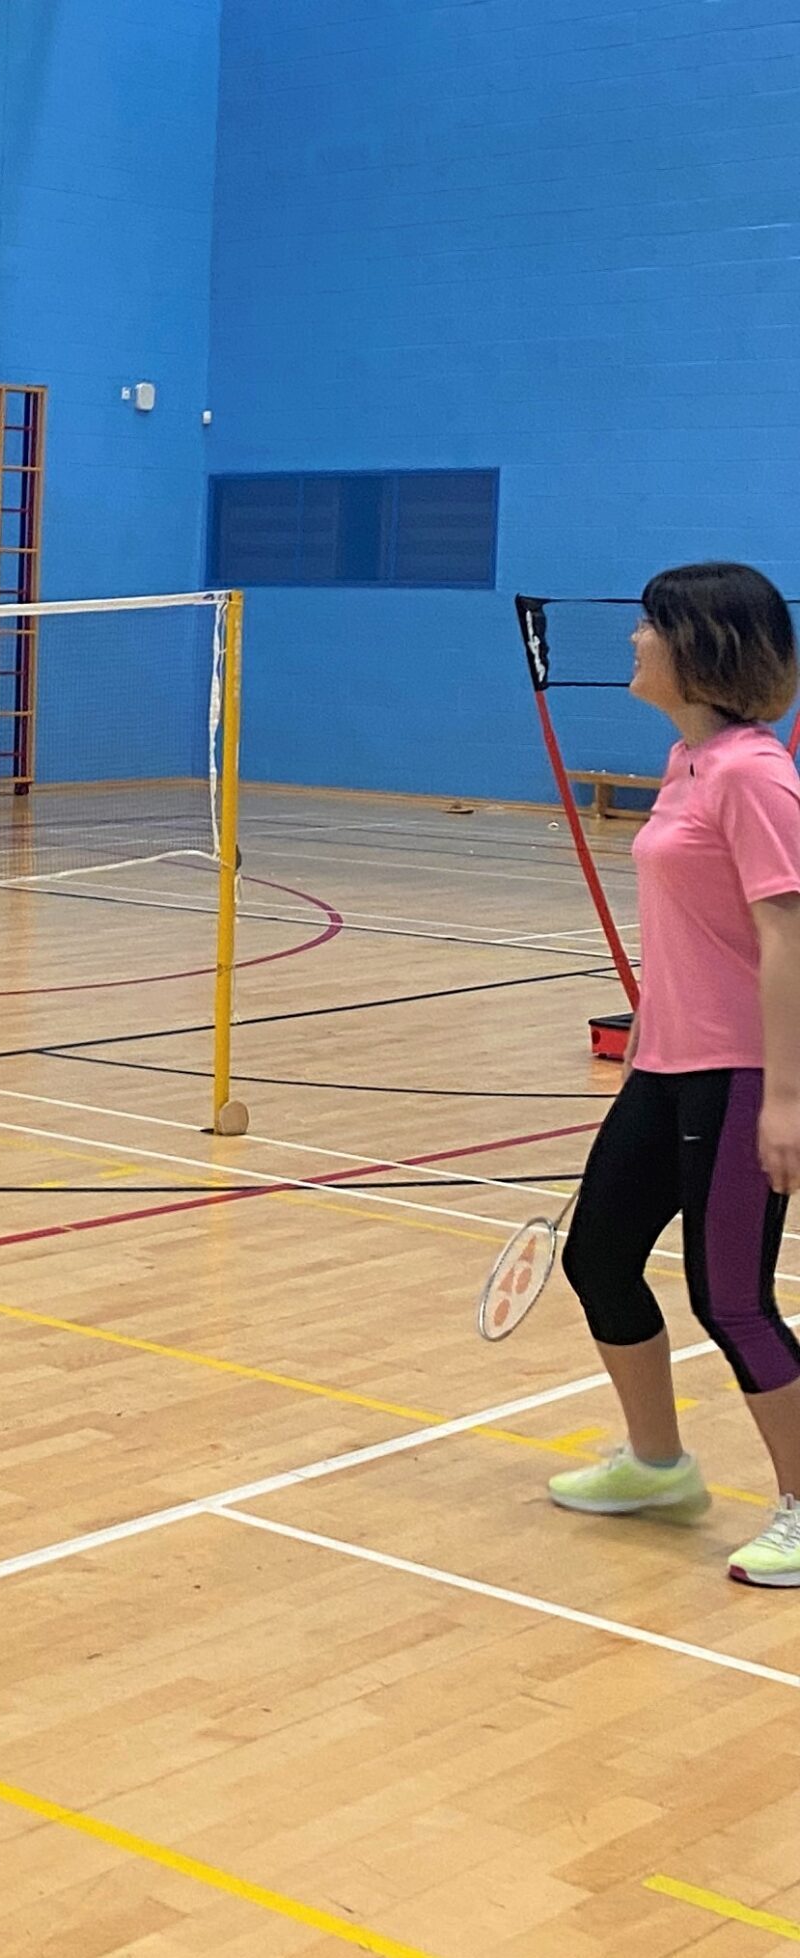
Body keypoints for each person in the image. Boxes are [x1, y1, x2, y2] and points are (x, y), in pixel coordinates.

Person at [549, 561, 800, 1586]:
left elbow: (787, 935)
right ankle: (658, 1463)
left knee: (730, 1299)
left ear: (698, 646)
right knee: (599, 1256)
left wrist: (785, 1097)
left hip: (740, 1071)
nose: (631, 642)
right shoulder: (686, 757)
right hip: (663, 1062)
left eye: (647, 627)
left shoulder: (752, 772)